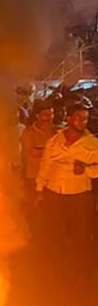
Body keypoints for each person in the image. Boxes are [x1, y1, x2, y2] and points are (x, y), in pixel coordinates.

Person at [35, 103, 98, 270]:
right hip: (55, 192)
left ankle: (79, 267)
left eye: (85, 118)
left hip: (79, 195)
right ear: (68, 119)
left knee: (81, 233)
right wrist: (40, 189)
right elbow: (45, 165)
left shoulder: (92, 143)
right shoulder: (55, 141)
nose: (82, 122)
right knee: (54, 230)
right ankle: (54, 265)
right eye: (78, 118)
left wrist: (86, 168)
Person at [20, 101, 55, 209]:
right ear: (37, 116)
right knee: (33, 207)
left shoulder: (55, 133)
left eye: (51, 114)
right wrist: (54, 151)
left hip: (52, 178)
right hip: (33, 177)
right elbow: (33, 152)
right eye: (46, 115)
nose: (49, 118)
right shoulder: (28, 133)